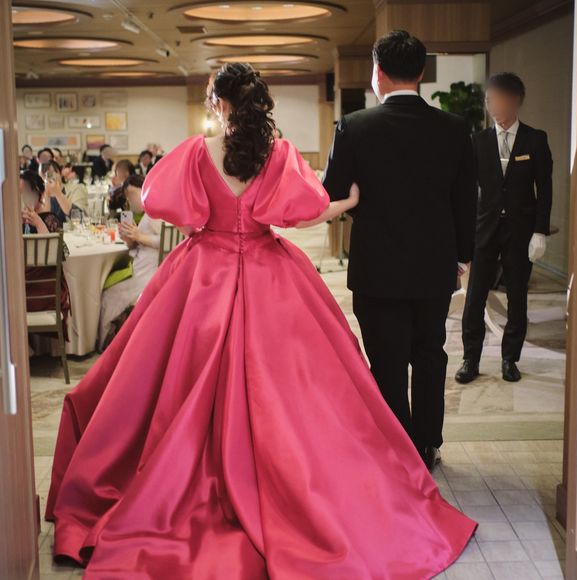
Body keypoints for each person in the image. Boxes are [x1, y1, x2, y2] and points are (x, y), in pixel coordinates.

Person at [45, 62, 476, 578]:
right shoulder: (278, 154)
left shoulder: (196, 152)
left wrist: (205, 220)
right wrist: (348, 201)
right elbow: (305, 211)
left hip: (202, 276)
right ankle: (293, 478)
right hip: (272, 273)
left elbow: (160, 207)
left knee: (172, 378)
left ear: (219, 103)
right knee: (300, 391)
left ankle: (182, 479)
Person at [323, 30, 478, 470]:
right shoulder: (454, 128)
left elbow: (333, 194)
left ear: (378, 72)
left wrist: (360, 203)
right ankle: (428, 444)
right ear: (422, 72)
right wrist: (461, 255)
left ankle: (398, 448)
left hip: (378, 268)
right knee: (430, 353)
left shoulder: (354, 127)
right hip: (434, 266)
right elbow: (466, 198)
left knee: (387, 361)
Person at [455, 73, 553, 384]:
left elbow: (545, 190)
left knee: (517, 297)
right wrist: (462, 235)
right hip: (484, 230)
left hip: (521, 232)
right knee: (475, 297)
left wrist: (539, 231)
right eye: (489, 100)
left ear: (515, 100)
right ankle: (470, 359)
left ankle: (510, 358)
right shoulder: (478, 141)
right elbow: (466, 192)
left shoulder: (535, 140)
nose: (493, 106)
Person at [98, 174, 161, 351]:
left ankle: (108, 341)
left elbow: (166, 240)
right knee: (108, 286)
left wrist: (139, 236)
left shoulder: (154, 212)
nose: (131, 200)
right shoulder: (148, 211)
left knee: (108, 293)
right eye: (129, 197)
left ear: (144, 189)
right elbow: (142, 241)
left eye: (133, 194)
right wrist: (131, 238)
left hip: (149, 272)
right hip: (142, 264)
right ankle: (114, 337)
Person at [20, 171, 71, 336]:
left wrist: (38, 222)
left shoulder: (49, 219)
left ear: (38, 193)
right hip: (22, 291)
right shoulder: (11, 222)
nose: (22, 198)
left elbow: (60, 254)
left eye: (25, 192)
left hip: (41, 294)